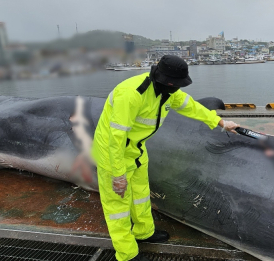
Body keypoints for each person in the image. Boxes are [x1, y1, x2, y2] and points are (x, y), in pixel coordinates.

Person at [91, 55, 239, 261]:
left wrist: (220, 122)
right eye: (176, 85)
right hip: (112, 154)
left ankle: (143, 232)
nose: (178, 89)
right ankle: (126, 254)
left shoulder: (168, 92)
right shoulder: (131, 94)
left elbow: (190, 106)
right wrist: (117, 174)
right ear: (165, 81)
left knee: (141, 193)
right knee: (118, 205)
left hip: (136, 149)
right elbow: (116, 138)